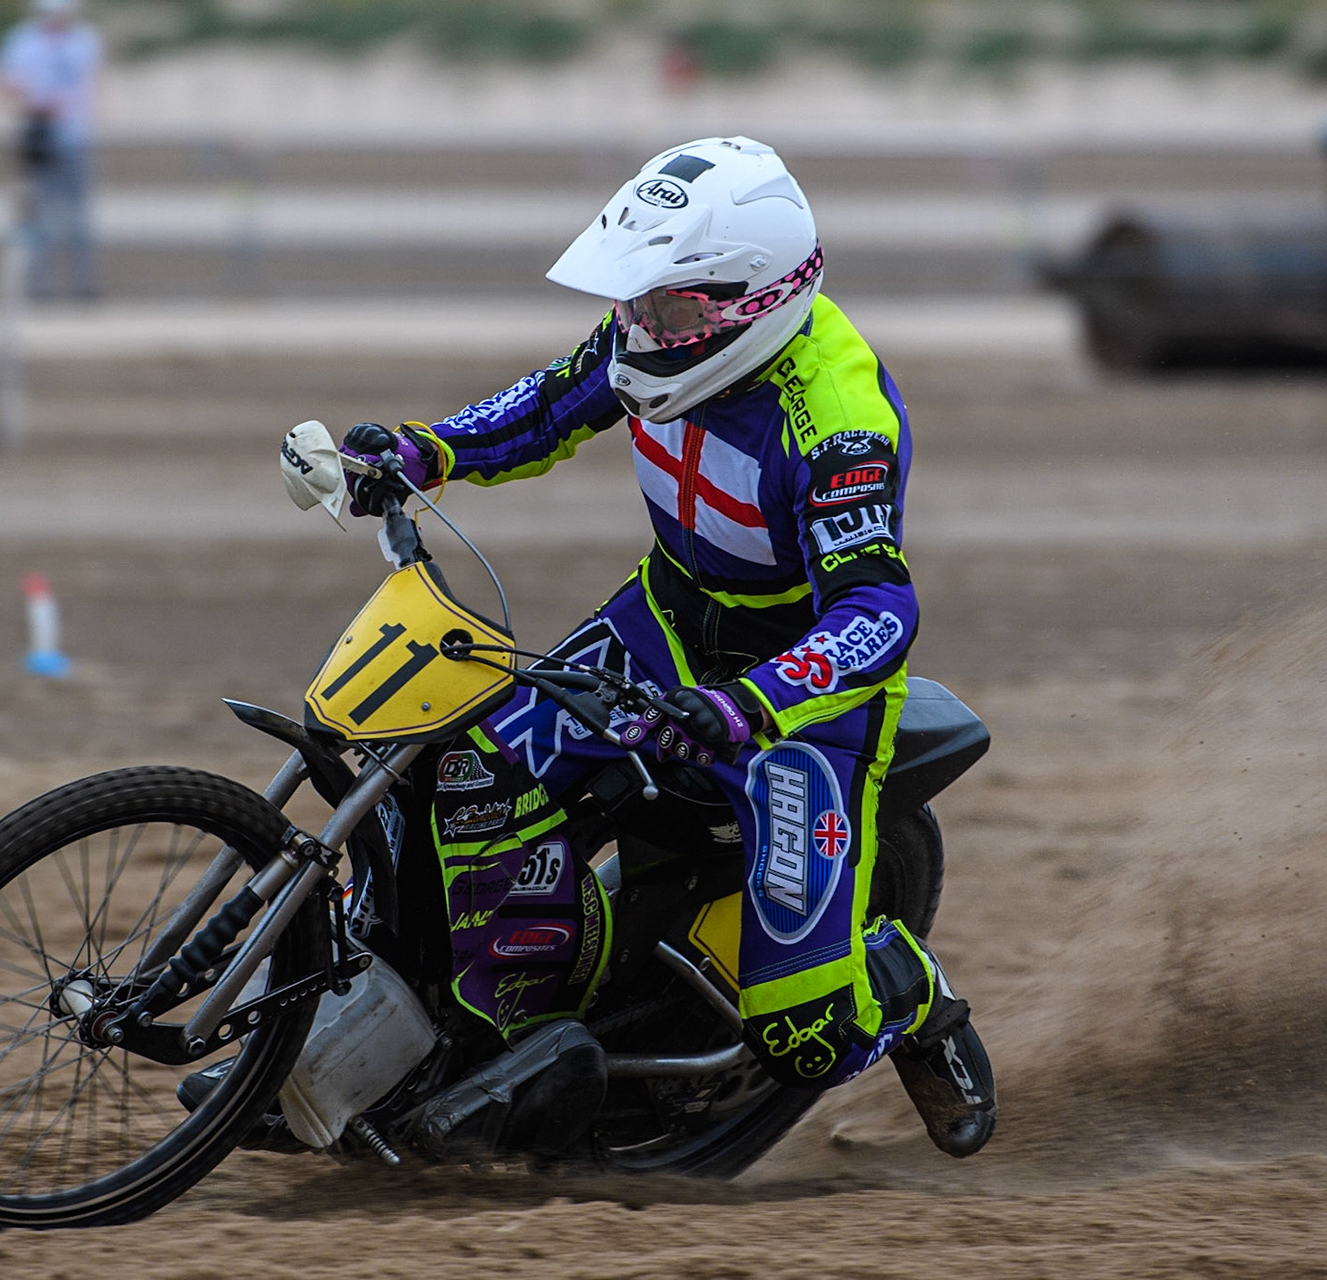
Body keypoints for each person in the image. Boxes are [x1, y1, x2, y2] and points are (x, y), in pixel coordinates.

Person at [325, 137, 996, 1159]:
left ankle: (909, 993)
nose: (640, 328)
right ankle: (512, 1040)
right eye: (636, 302)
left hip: (800, 702)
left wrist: (748, 706)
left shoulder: (835, 421)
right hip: (665, 622)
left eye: (668, 310)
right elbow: (547, 406)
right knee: (471, 773)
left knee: (808, 1035)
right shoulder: (656, 336)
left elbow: (878, 612)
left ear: (752, 304)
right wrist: (431, 449)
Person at [0, 0, 102, 300]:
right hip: (39, 137)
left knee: (77, 215)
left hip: (76, 138)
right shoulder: (22, 40)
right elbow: (3, 85)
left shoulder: (85, 40)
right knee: (37, 214)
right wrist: (35, 101)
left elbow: (93, 87)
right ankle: (40, 285)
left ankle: (83, 285)